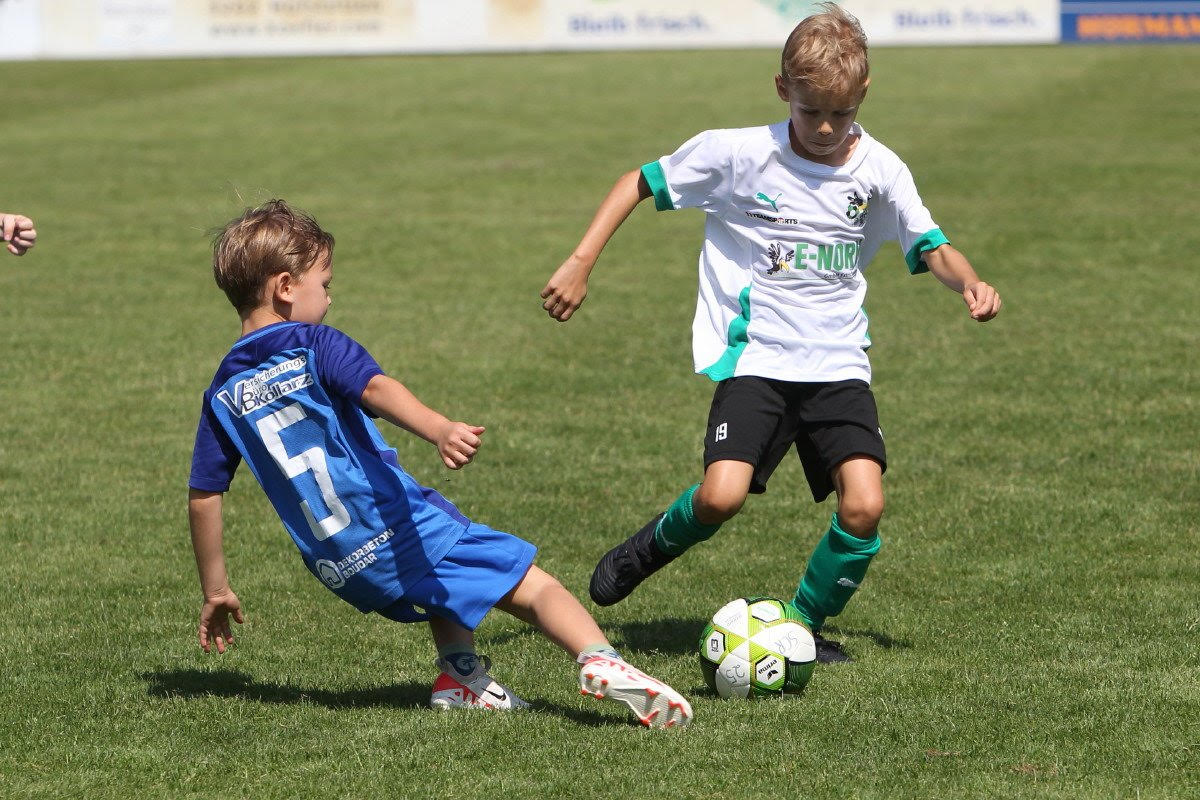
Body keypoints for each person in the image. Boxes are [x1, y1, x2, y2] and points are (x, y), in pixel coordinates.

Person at [540, 4, 1001, 663]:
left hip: (839, 362)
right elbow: (639, 182)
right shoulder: (737, 155)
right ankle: (651, 546)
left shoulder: (881, 169)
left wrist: (970, 284)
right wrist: (580, 262)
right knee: (721, 497)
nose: (823, 127)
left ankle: (803, 625)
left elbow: (932, 244)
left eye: (839, 114)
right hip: (758, 357)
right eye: (811, 109)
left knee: (865, 507)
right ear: (783, 87)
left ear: (862, 96)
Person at [188, 200, 691, 728]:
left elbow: (204, 492)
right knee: (532, 583)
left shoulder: (223, 390)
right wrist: (440, 428)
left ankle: (460, 677)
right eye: (325, 284)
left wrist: (216, 589)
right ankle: (599, 659)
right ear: (286, 287)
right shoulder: (313, 343)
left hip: (338, 562)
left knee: (445, 568)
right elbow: (375, 387)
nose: (330, 299)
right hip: (390, 527)